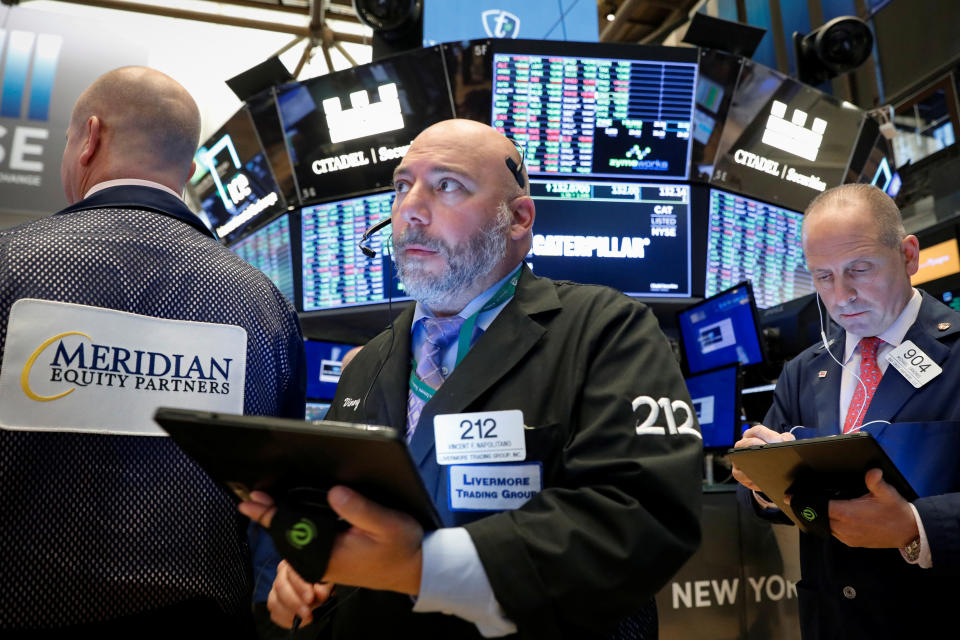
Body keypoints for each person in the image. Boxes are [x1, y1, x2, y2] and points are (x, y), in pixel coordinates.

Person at [239, 119, 703, 639]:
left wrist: (424, 567)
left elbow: (643, 518)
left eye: (447, 185)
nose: (411, 209)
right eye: (401, 186)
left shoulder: (607, 331)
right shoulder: (368, 365)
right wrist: (304, 565)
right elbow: (333, 509)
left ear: (518, 218)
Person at [0, 67, 306, 635]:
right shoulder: (263, 304)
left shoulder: (10, 266)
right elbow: (279, 495)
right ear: (189, 171)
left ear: (89, 137)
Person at [732, 183, 960, 639]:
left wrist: (916, 527)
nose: (841, 296)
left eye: (859, 269)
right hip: (830, 622)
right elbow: (756, 502)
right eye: (823, 277)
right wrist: (763, 480)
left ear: (909, 255)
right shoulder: (803, 370)